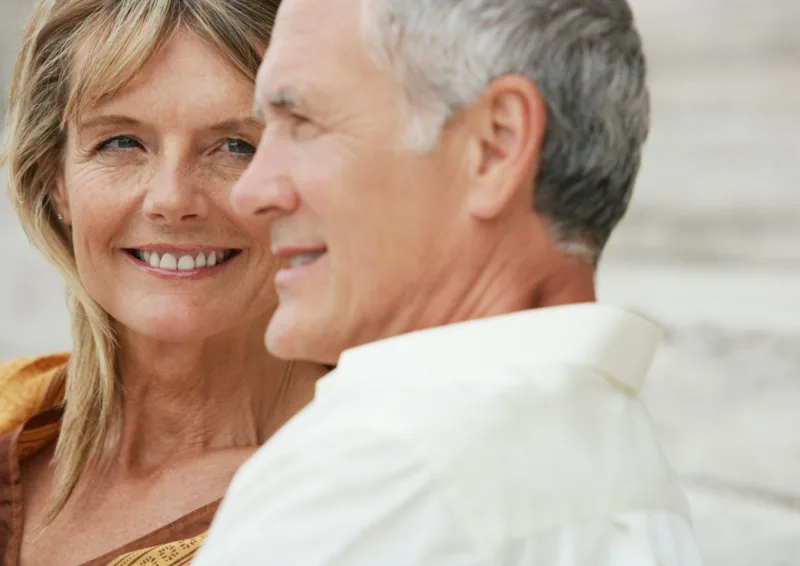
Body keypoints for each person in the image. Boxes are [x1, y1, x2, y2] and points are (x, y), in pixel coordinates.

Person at [194, 0, 705, 564]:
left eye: (304, 123)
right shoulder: (634, 486)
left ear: (495, 147)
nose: (251, 191)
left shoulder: (368, 478)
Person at [0, 1, 326, 565]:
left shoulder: (368, 483)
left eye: (237, 147)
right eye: (122, 143)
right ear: (55, 180)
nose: (172, 200)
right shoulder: (11, 404)